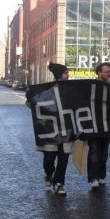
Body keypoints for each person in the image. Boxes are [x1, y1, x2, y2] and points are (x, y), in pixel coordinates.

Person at [35, 63, 71, 196]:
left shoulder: (72, 89)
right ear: (59, 75)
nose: (68, 75)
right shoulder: (47, 89)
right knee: (49, 158)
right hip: (50, 130)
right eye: (66, 73)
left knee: (63, 158)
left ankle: (59, 184)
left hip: (67, 130)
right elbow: (32, 102)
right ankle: (49, 173)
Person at [87, 62, 110, 190]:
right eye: (106, 71)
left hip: (107, 125)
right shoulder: (91, 86)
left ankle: (102, 175)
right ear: (99, 73)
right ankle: (93, 178)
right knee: (94, 152)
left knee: (104, 152)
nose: (109, 73)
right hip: (94, 125)